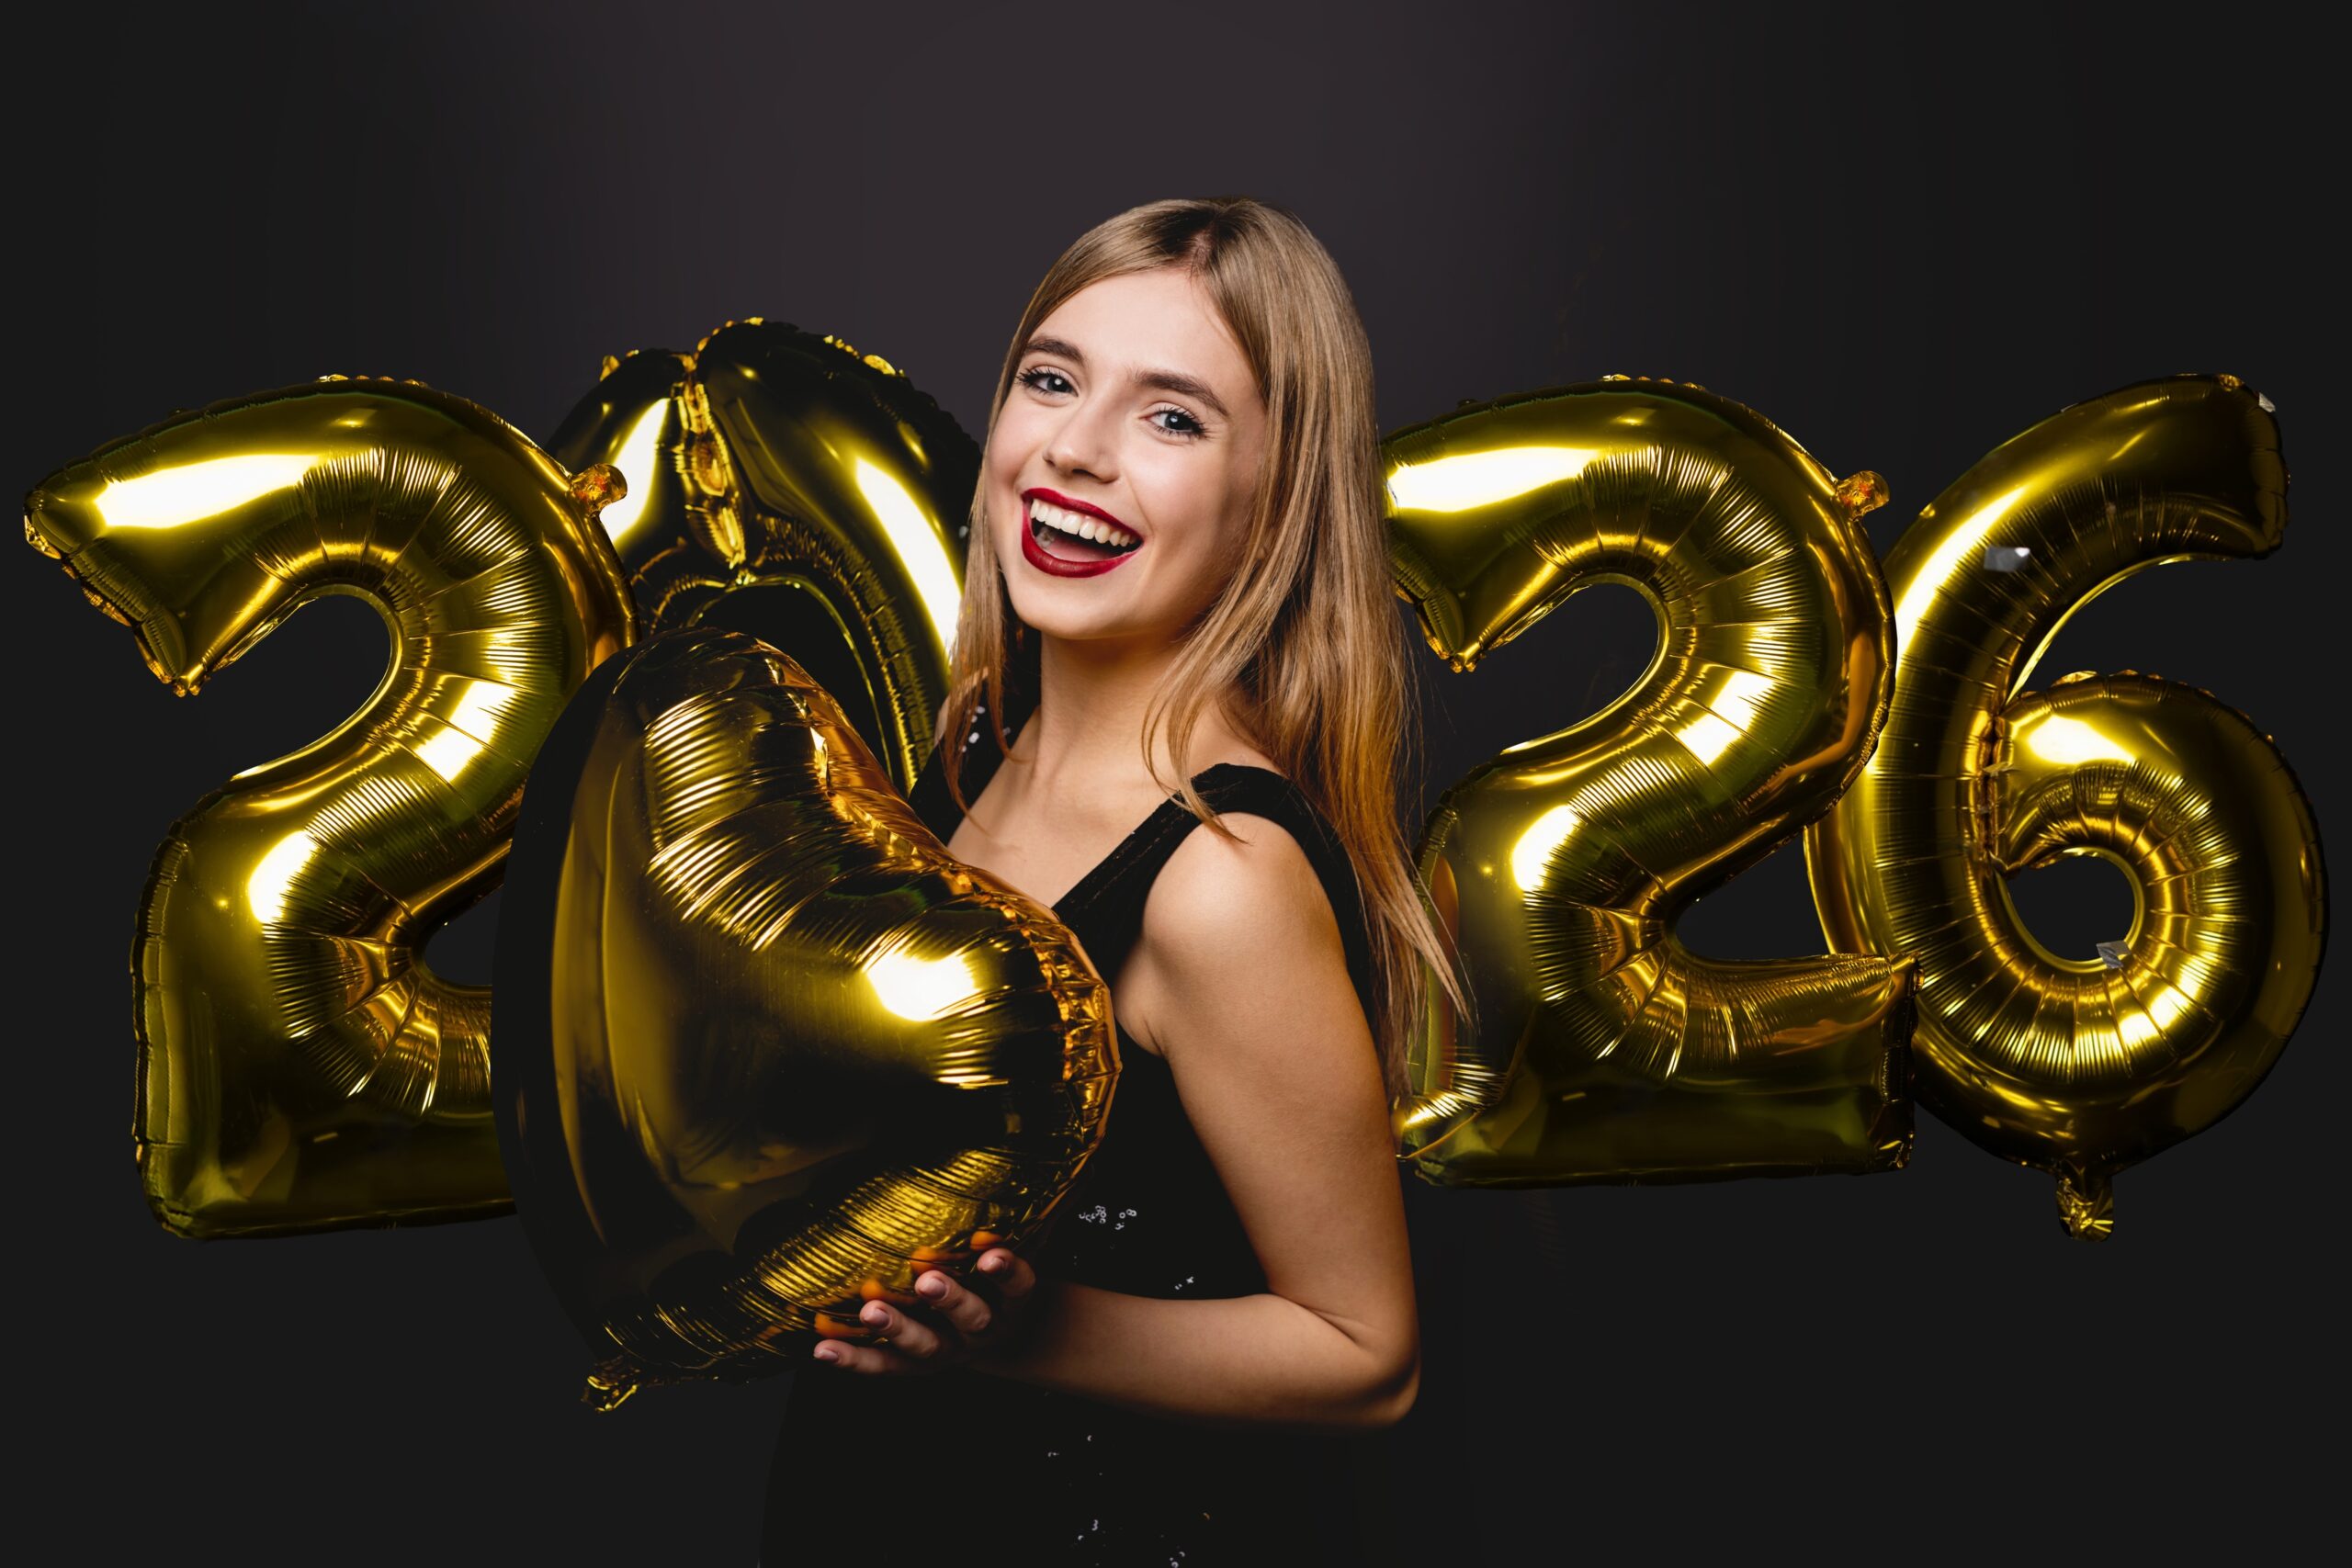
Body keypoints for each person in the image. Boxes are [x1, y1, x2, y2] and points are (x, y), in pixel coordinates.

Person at [761, 196, 1468, 1563]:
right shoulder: (965, 757)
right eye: (1051, 379)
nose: (1074, 451)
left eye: (1173, 417)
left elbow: (1369, 1355)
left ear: (1277, 498)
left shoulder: (1219, 874)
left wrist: (1029, 1332)